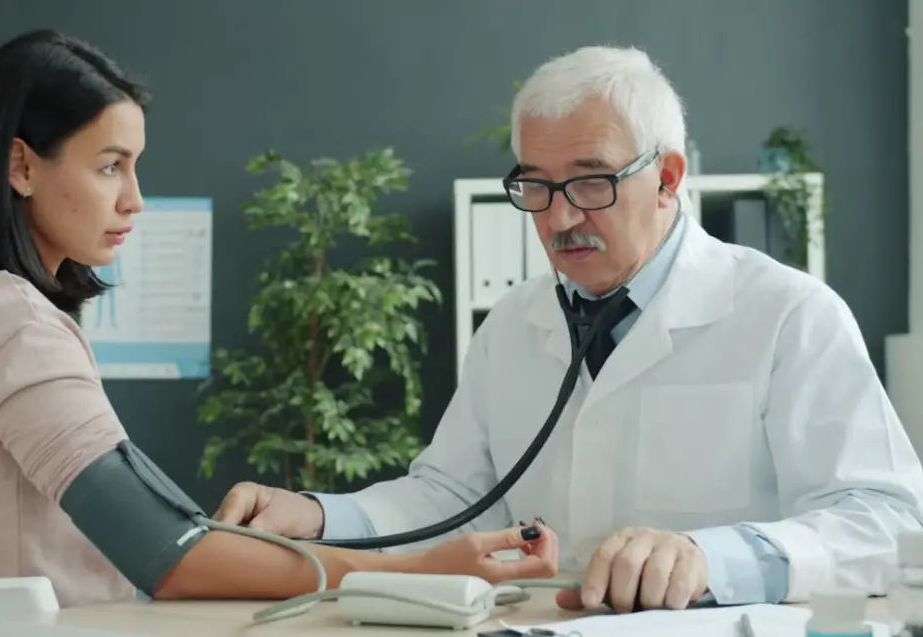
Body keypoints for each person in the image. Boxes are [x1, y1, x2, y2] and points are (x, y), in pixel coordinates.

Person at [214, 45, 923, 615]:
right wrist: (316, 515)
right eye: (536, 186)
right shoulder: (514, 324)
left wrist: (716, 558)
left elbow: (885, 519)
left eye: (591, 182)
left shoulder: (789, 314)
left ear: (669, 179)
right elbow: (451, 498)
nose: (558, 219)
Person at [0, 29, 559, 617]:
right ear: (21, 166)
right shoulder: (14, 326)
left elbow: (162, 525)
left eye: (134, 165)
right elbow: (168, 554)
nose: (134, 198)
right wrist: (416, 573)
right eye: (109, 166)